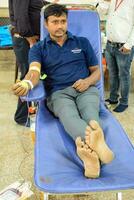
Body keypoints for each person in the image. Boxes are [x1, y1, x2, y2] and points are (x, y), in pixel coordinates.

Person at [12, 4, 114, 178]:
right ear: (46, 24)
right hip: (59, 93)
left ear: (67, 22)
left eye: (63, 21)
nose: (59, 26)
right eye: (55, 22)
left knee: (91, 113)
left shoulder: (82, 42)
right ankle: (96, 150)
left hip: (85, 89)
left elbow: (97, 71)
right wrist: (27, 83)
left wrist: (87, 81)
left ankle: (90, 158)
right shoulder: (38, 48)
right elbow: (34, 72)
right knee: (69, 115)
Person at [8, 0, 47, 126]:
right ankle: (23, 116)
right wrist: (31, 41)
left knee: (35, 75)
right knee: (29, 76)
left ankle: (31, 114)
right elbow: (21, 18)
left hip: (30, 40)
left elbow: (33, 7)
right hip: (26, 40)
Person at [102, 0, 134, 112]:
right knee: (112, 73)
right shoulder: (112, 1)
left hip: (124, 46)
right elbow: (100, 12)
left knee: (123, 75)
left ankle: (124, 102)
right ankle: (113, 98)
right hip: (110, 44)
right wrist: (105, 1)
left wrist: (129, 45)